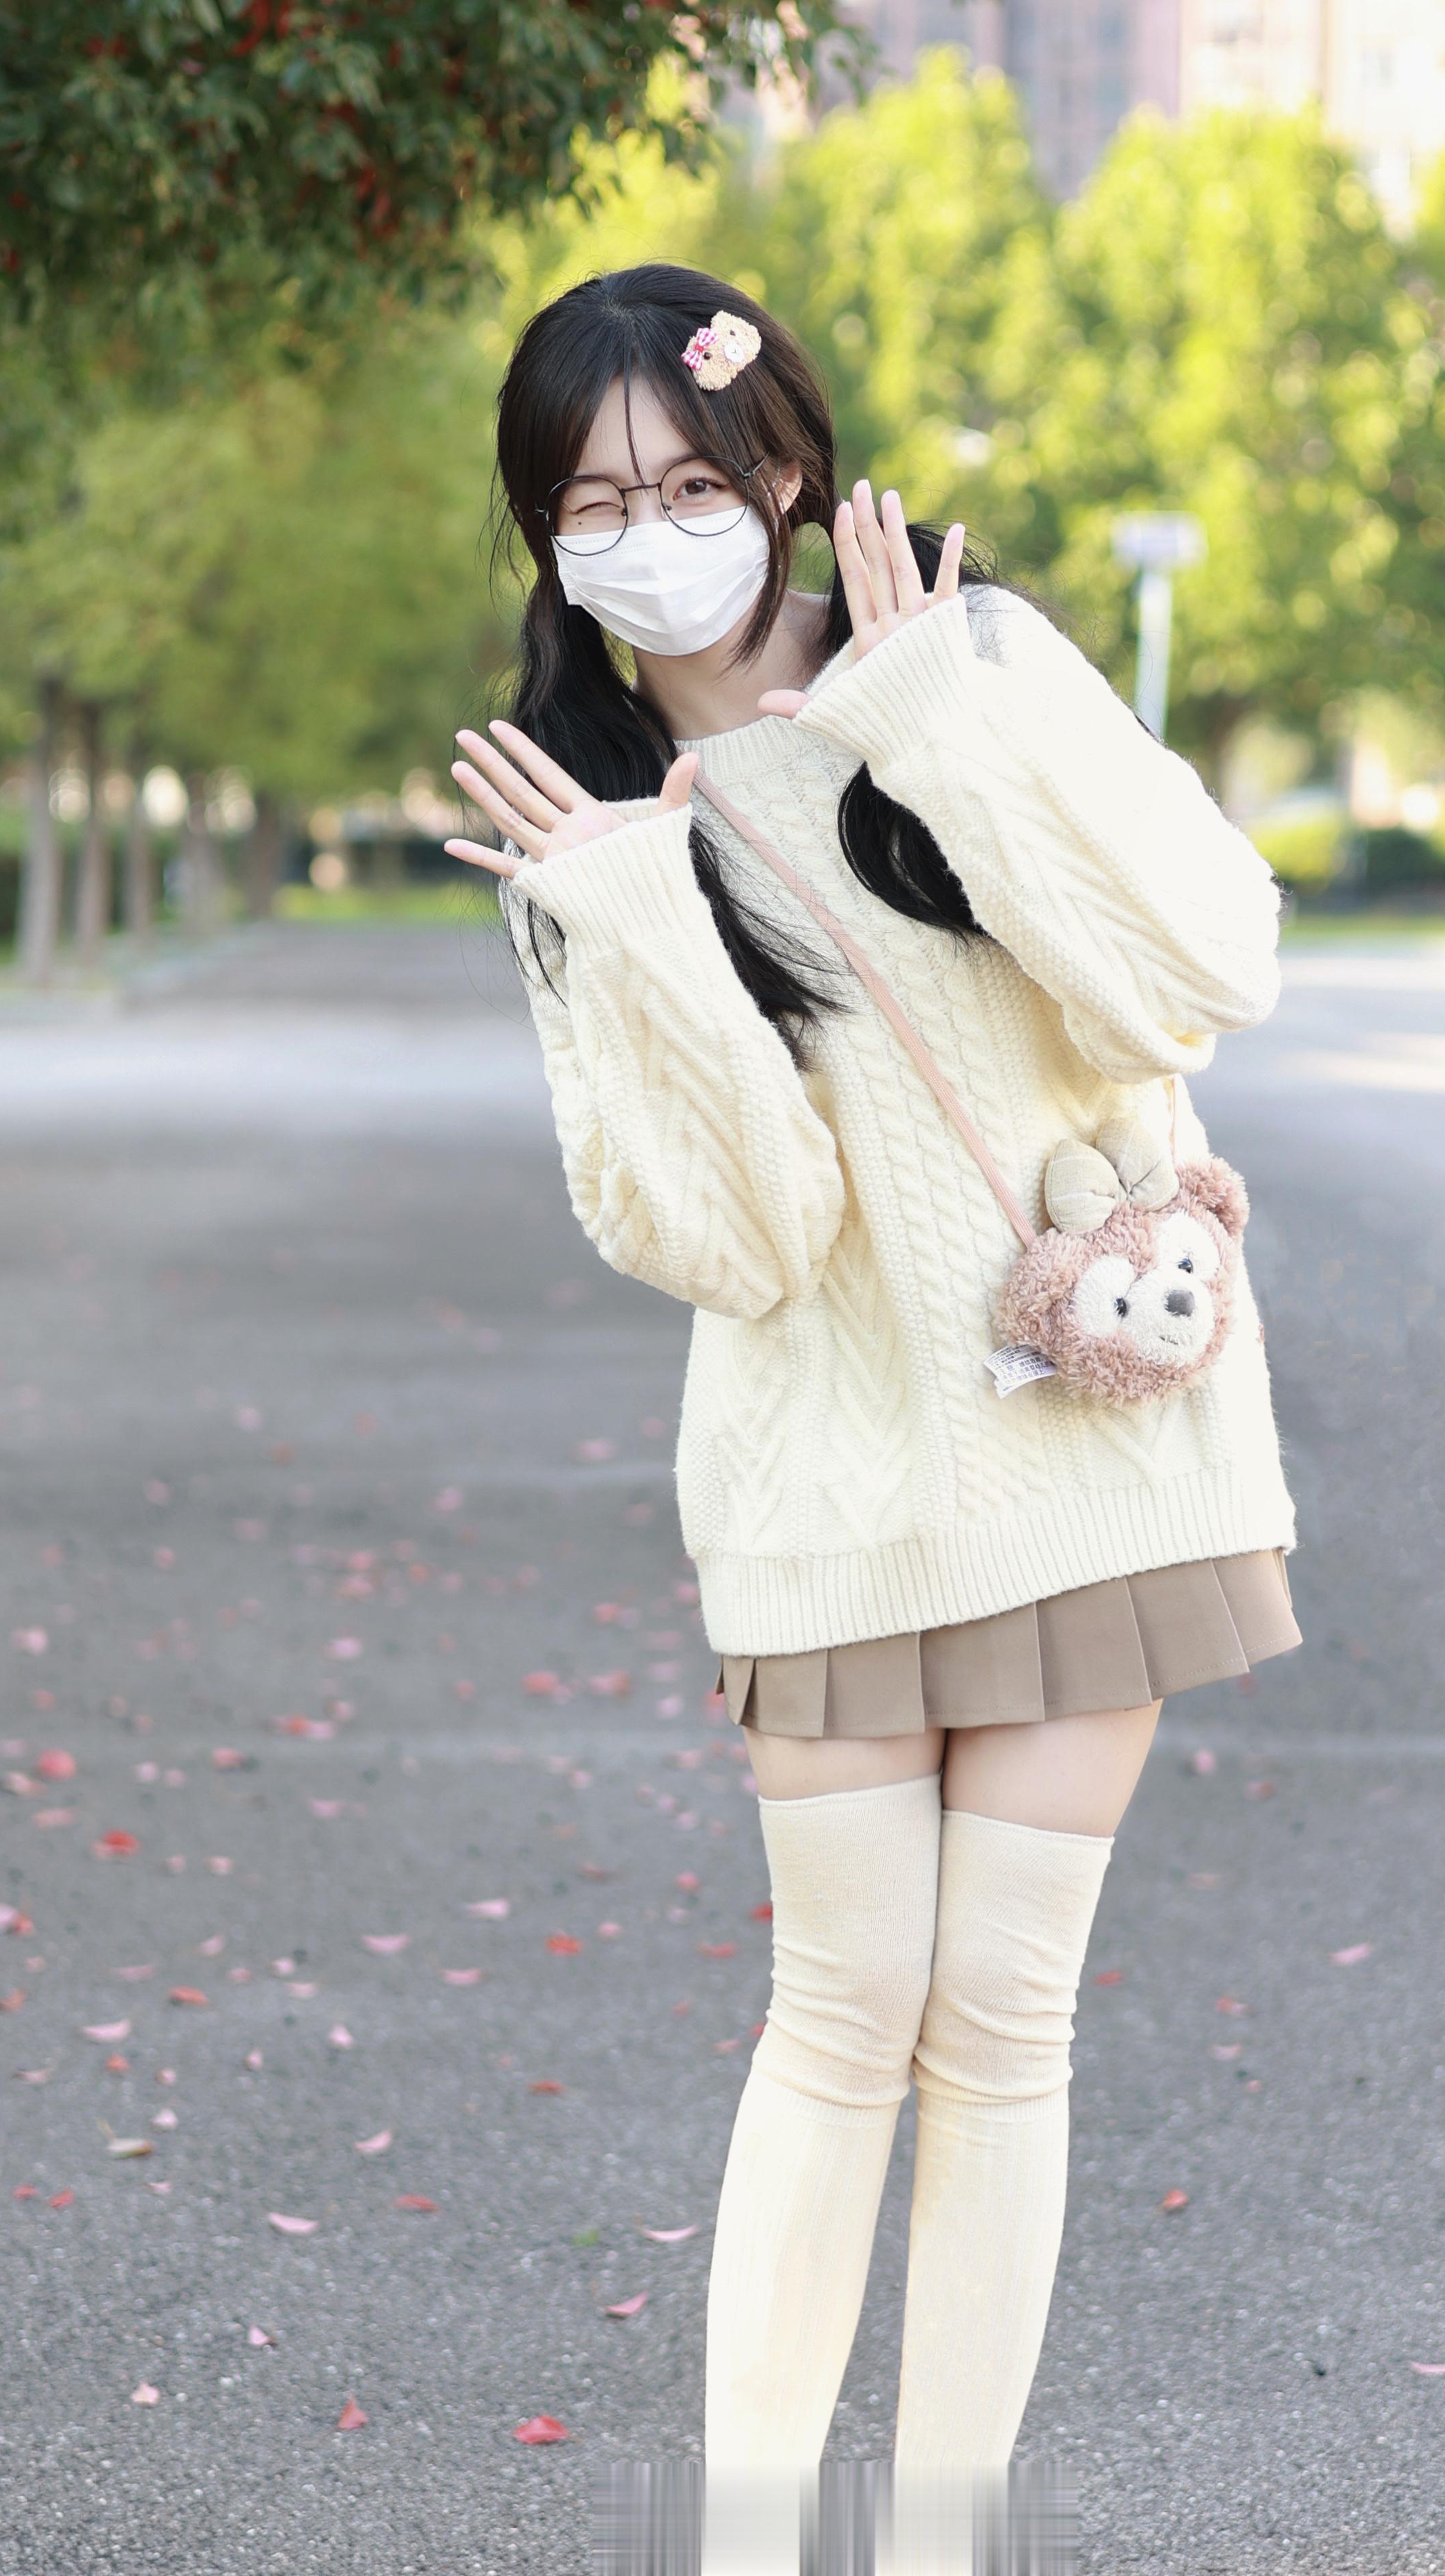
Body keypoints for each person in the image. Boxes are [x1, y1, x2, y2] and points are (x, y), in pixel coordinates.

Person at [443, 263, 1299, 2573]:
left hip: (1098, 1443)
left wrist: (932, 725)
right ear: (544, 536)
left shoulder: (974, 660)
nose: (647, 536)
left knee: (1001, 2022)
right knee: (844, 2017)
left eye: (688, 485)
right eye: (591, 503)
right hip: (828, 1487)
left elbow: (1201, 970)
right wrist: (640, 914)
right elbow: (741, 1237)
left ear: (788, 473)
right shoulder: (578, 820)